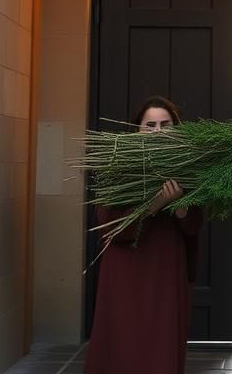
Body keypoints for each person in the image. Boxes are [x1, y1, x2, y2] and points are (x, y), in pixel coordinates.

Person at [85, 96, 204, 374]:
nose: (158, 131)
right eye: (150, 125)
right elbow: (108, 224)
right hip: (126, 270)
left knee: (161, 343)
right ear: (137, 129)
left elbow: (195, 225)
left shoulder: (189, 166)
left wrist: (181, 207)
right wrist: (154, 206)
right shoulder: (118, 165)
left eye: (165, 124)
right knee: (124, 343)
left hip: (165, 269)